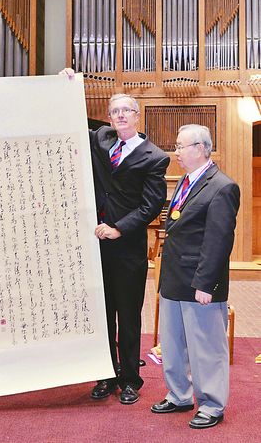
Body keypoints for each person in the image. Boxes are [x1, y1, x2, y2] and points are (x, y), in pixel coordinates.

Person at [61, 71, 170, 403]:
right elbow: (71, 121)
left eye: (126, 111)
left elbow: (151, 205)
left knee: (128, 315)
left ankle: (130, 380)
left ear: (137, 116)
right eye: (115, 111)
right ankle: (106, 376)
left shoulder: (155, 156)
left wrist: (119, 227)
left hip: (128, 248)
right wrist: (68, 86)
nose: (121, 115)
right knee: (102, 314)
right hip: (96, 246)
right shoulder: (101, 139)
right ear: (109, 118)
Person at [151, 125, 239, 429]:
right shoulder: (186, 180)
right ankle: (179, 395)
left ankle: (212, 404)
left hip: (200, 283)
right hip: (174, 279)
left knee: (206, 348)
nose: (175, 152)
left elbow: (219, 241)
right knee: (173, 344)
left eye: (181, 146)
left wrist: (206, 283)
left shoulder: (222, 187)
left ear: (200, 148)